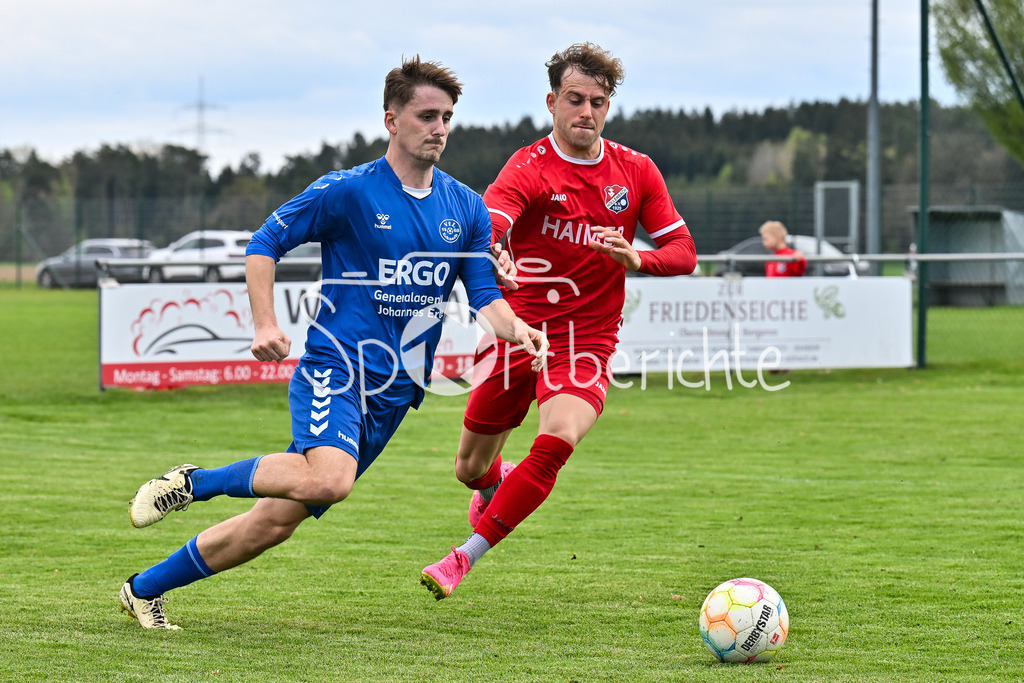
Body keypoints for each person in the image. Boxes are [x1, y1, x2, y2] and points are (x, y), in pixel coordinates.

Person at [118, 56, 548, 629]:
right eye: (426, 115)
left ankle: (143, 590)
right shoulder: (347, 191)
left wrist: (517, 328)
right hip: (336, 367)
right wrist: (266, 324)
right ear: (391, 119)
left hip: (396, 393)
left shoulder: (466, 207)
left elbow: (483, 295)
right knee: (329, 479)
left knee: (274, 523)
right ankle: (191, 483)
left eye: (447, 117)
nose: (439, 128)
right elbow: (265, 242)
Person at [420, 42, 698, 600]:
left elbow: (684, 251)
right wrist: (493, 248)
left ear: (608, 107)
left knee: (560, 434)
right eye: (575, 99)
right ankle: (497, 486)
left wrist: (636, 257)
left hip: (586, 341)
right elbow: (493, 217)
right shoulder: (529, 166)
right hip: (518, 332)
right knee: (471, 469)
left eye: (597, 101)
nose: (586, 112)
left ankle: (462, 559)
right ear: (552, 102)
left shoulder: (636, 171)